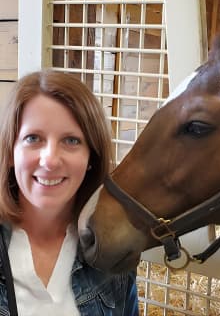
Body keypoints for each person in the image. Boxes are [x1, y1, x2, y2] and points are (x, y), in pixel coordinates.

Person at [0, 70, 139, 315]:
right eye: (33, 138)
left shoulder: (111, 256)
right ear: (11, 152)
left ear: (91, 158)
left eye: (71, 141)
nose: (50, 160)